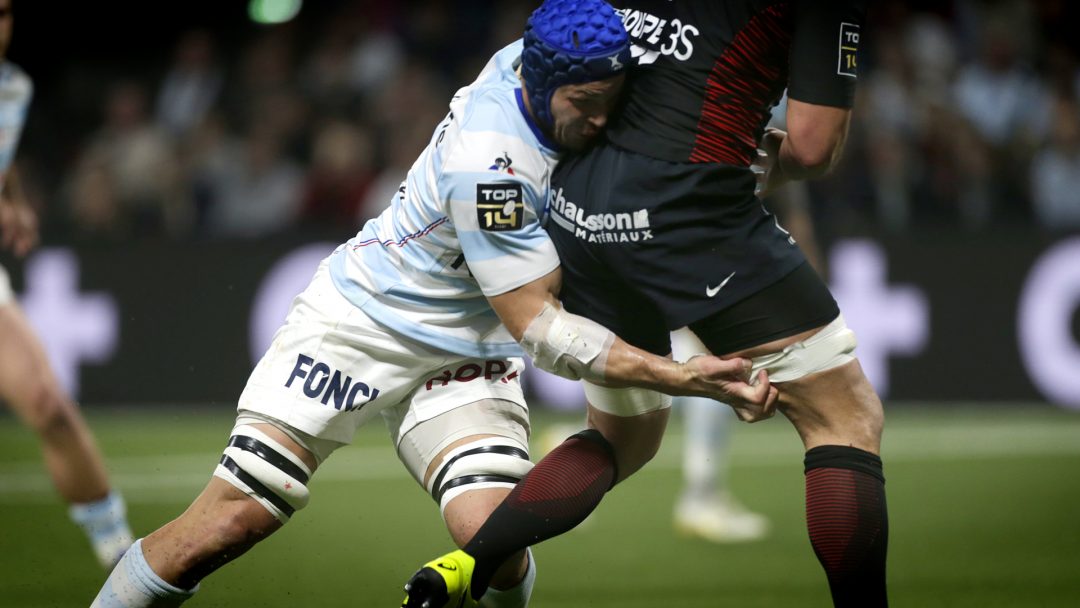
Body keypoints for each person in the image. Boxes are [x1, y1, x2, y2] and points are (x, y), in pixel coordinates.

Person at [91, 1, 773, 606]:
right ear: (539, 84)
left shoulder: (563, 61)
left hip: (468, 348)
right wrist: (678, 376)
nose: (601, 118)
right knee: (231, 522)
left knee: (494, 545)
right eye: (587, 102)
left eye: (611, 99)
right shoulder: (491, 166)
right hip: (363, 322)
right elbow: (539, 326)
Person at [409, 2, 888, 607]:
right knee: (843, 418)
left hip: (580, 203)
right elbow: (814, 146)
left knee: (621, 440)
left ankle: (461, 568)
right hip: (689, 200)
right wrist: (765, 165)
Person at [0, 0, 134, 571]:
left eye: (4, 12)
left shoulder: (12, 90)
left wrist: (12, 203)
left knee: (48, 404)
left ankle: (119, 549)